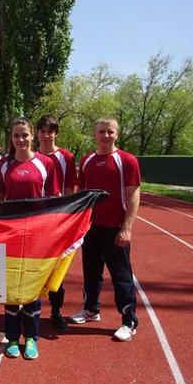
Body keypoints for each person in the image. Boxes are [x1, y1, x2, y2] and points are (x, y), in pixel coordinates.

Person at [70, 118, 141, 342]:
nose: (106, 136)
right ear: (95, 134)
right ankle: (91, 309)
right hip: (91, 228)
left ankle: (129, 321)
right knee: (91, 272)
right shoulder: (87, 160)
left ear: (117, 134)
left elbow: (133, 195)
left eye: (110, 132)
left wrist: (127, 228)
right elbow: (81, 193)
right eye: (102, 132)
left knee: (121, 277)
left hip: (115, 229)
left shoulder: (127, 161)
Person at [0, 117, 57, 360]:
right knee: (10, 288)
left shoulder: (45, 164)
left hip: (37, 238)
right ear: (11, 138)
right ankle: (11, 338)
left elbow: (55, 200)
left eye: (25, 135)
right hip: (10, 236)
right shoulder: (3, 167)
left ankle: (31, 337)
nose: (21, 140)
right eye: (17, 135)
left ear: (33, 136)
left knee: (32, 288)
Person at [36, 115, 77, 333]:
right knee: (33, 268)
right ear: (37, 133)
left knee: (56, 270)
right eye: (42, 130)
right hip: (34, 223)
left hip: (57, 223)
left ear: (56, 133)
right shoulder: (28, 156)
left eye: (50, 131)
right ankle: (28, 311)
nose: (46, 135)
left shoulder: (66, 157)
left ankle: (56, 311)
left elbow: (70, 191)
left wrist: (65, 219)